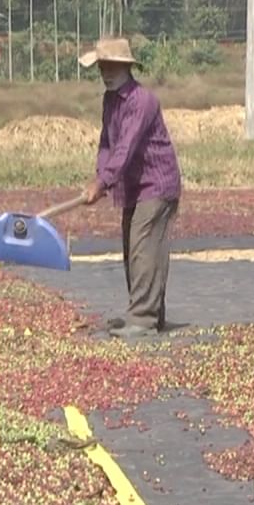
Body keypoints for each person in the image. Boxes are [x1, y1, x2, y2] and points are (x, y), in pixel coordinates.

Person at [78, 37, 183, 339]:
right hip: (133, 186)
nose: (106, 72)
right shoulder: (110, 100)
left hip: (157, 183)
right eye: (102, 67)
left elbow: (125, 147)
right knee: (133, 249)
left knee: (144, 249)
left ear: (127, 68)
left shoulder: (142, 101)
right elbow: (107, 143)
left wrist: (102, 182)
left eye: (113, 66)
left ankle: (144, 319)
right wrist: (100, 174)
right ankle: (149, 313)